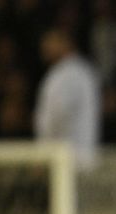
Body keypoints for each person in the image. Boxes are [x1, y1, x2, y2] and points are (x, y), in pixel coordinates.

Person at [33, 27, 101, 169]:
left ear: (65, 42)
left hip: (66, 160)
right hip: (78, 157)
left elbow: (57, 116)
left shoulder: (69, 74)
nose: (45, 46)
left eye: (51, 41)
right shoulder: (81, 70)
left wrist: (44, 151)